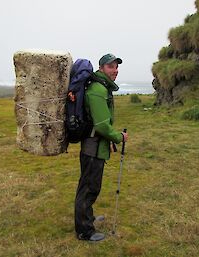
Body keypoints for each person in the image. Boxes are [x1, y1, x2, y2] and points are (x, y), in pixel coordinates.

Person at [74, 53, 129, 242]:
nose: (115, 70)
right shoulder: (98, 89)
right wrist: (119, 137)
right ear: (101, 68)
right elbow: (102, 126)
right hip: (92, 147)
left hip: (96, 145)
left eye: (116, 67)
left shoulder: (101, 87)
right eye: (111, 67)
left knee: (91, 185)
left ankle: (87, 219)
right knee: (89, 188)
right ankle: (84, 231)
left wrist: (111, 139)